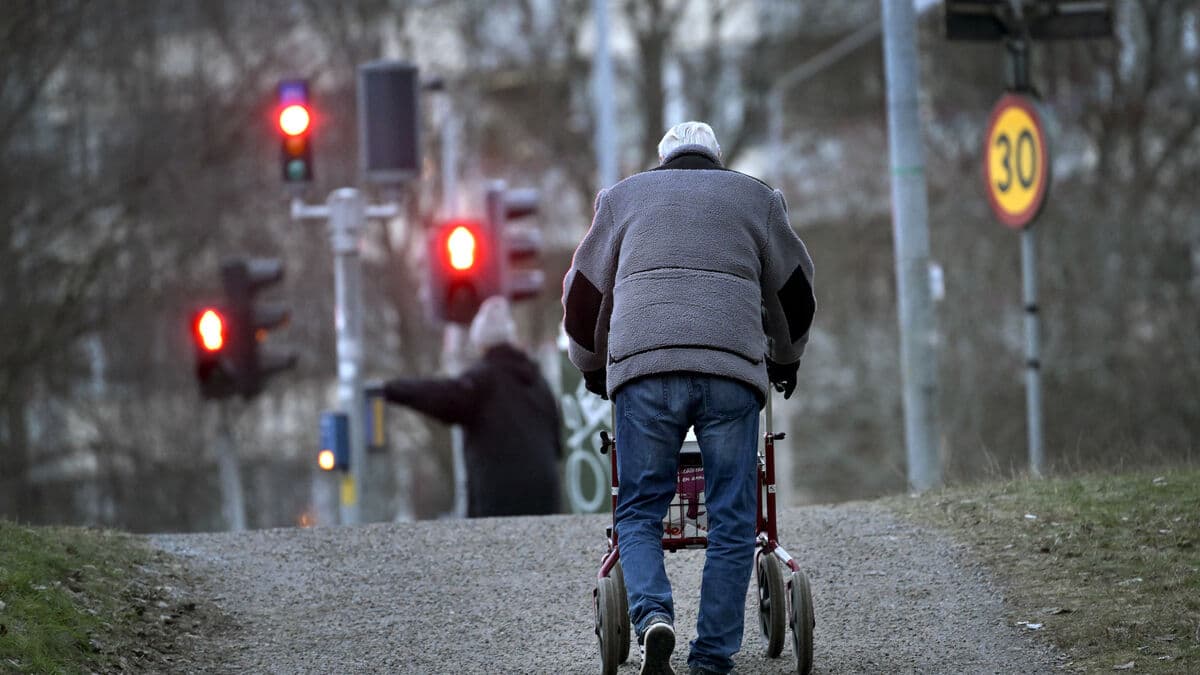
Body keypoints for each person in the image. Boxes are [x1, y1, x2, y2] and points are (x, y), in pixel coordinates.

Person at [562, 121, 815, 675]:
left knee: (639, 506)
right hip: (730, 372)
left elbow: (582, 294)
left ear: (663, 160)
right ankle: (711, 658)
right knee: (733, 516)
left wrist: (591, 364)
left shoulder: (621, 200)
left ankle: (654, 617)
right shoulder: (757, 199)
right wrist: (786, 358)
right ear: (715, 159)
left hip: (645, 373)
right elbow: (795, 288)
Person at [381, 296, 562, 517]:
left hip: (499, 500)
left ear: (482, 343)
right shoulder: (537, 381)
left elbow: (441, 396)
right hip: (545, 498)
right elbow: (557, 441)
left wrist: (391, 389)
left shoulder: (482, 380)